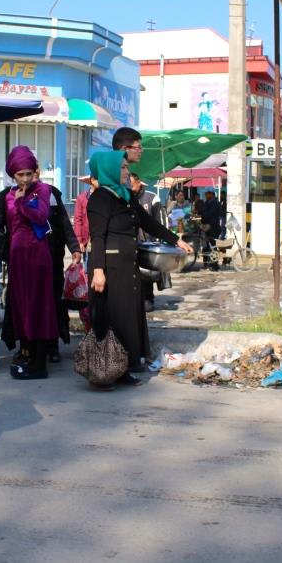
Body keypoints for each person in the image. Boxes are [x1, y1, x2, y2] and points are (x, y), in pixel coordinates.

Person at [87, 150, 192, 388]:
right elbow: (97, 237)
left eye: (125, 167)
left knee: (127, 320)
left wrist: (175, 240)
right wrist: (98, 271)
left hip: (128, 268)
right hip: (110, 269)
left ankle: (122, 369)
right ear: (109, 170)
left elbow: (148, 222)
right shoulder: (100, 198)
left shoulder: (125, 195)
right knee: (109, 320)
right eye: (122, 167)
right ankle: (102, 374)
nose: (126, 172)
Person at [2, 145, 57, 380]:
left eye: (28, 174)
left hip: (37, 255)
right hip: (18, 255)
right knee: (22, 305)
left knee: (39, 305)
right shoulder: (8, 196)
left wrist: (23, 202)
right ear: (13, 175)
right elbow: (10, 224)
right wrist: (18, 201)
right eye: (20, 175)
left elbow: (41, 216)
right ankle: (27, 354)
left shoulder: (43, 190)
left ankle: (40, 363)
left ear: (35, 172)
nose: (25, 179)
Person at [35, 168, 81, 363]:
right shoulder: (10, 196)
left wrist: (74, 247)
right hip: (27, 261)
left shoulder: (51, 193)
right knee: (31, 304)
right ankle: (29, 346)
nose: (30, 176)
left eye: (33, 170)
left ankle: (52, 345)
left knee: (53, 303)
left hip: (53, 258)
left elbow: (63, 222)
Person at [129, 172, 164, 307]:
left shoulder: (152, 198)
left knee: (147, 273)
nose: (130, 188)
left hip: (149, 243)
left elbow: (158, 222)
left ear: (138, 183)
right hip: (131, 243)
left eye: (132, 185)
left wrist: (158, 242)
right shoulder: (126, 197)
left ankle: (148, 298)